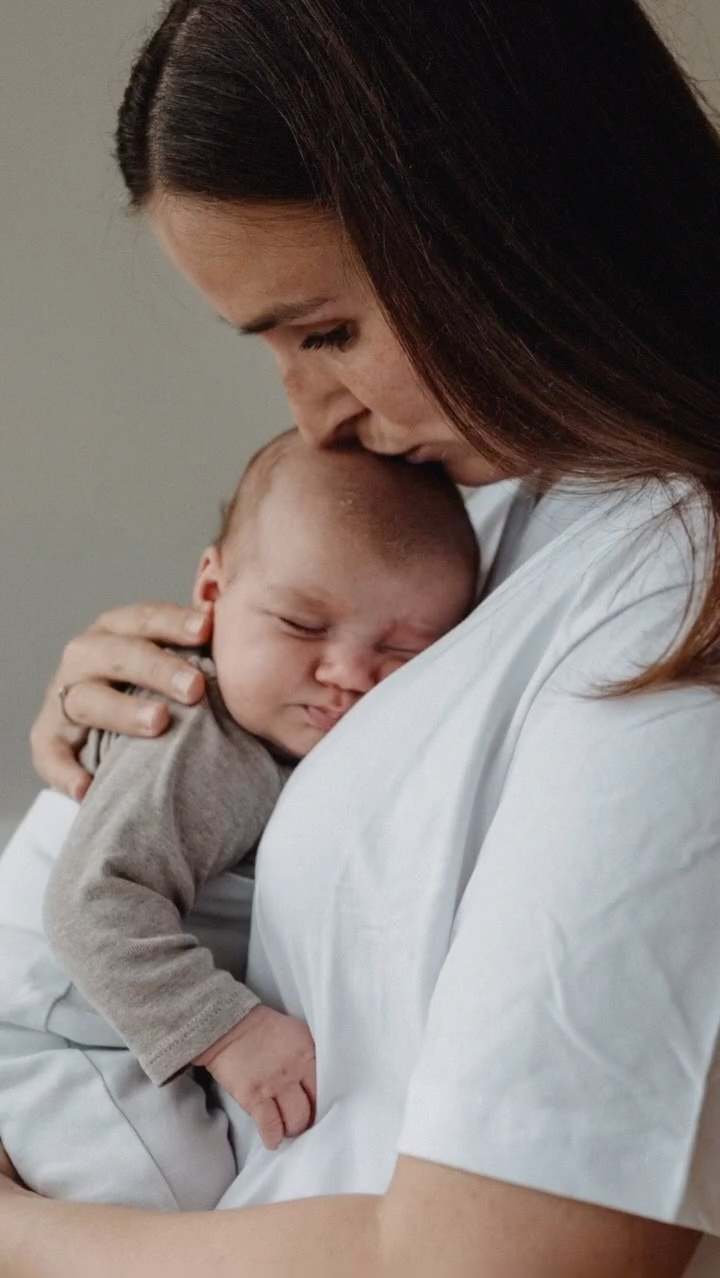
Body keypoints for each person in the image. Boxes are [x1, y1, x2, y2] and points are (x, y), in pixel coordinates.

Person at [2, 0, 719, 1274]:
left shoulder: (681, 604)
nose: (317, 419)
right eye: (276, 347)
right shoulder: (513, 507)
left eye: (329, 332)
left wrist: (19, 1234)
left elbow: (491, 1261)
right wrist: (180, 710)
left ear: (512, 222)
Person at [0, 429, 478, 1209]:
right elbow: (90, 906)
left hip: (106, 1007)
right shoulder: (198, 734)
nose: (347, 675)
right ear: (212, 595)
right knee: (174, 1195)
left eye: (403, 649)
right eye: (302, 626)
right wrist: (230, 1033)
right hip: (48, 1014)